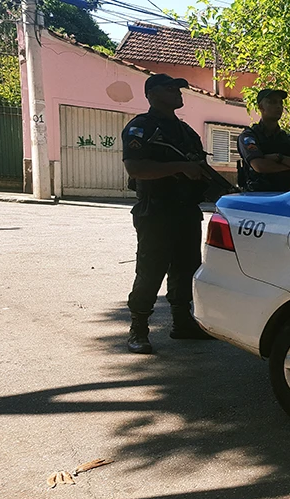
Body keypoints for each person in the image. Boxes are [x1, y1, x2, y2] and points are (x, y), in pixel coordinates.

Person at [121, 73, 215, 354]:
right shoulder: (141, 127)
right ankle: (138, 328)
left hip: (186, 211)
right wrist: (178, 168)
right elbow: (136, 169)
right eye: (170, 88)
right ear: (151, 94)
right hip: (156, 210)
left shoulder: (186, 132)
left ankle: (182, 322)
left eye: (178, 88)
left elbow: (198, 167)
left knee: (186, 268)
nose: (178, 92)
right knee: (151, 270)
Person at [237, 89, 290, 192]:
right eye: (272, 102)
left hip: (286, 195)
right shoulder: (249, 136)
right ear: (261, 107)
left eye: (280, 103)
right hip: (259, 196)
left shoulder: (287, 138)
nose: (278, 106)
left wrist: (279, 158)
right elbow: (259, 166)